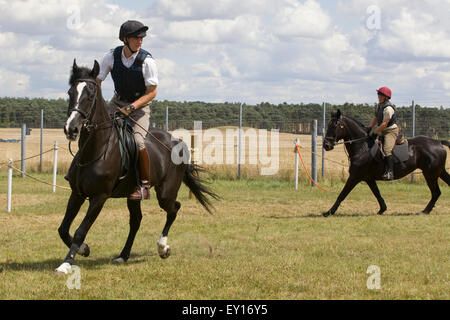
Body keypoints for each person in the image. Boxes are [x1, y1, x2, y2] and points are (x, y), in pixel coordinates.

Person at [96, 20, 158, 200]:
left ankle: (144, 186)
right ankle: (81, 171)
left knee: (138, 141)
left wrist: (131, 107)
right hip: (117, 103)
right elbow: (97, 82)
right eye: (136, 38)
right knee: (95, 130)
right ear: (125, 39)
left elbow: (152, 92)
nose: (140, 41)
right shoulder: (110, 57)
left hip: (139, 107)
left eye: (142, 38)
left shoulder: (147, 62)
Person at [368, 86, 398, 180]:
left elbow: (384, 124)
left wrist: (375, 132)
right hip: (382, 130)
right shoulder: (380, 106)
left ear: (385, 97)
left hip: (390, 131)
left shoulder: (388, 108)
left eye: (380, 95)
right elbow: (375, 118)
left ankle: (390, 172)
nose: (378, 96)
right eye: (378, 94)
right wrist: (369, 128)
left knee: (386, 150)